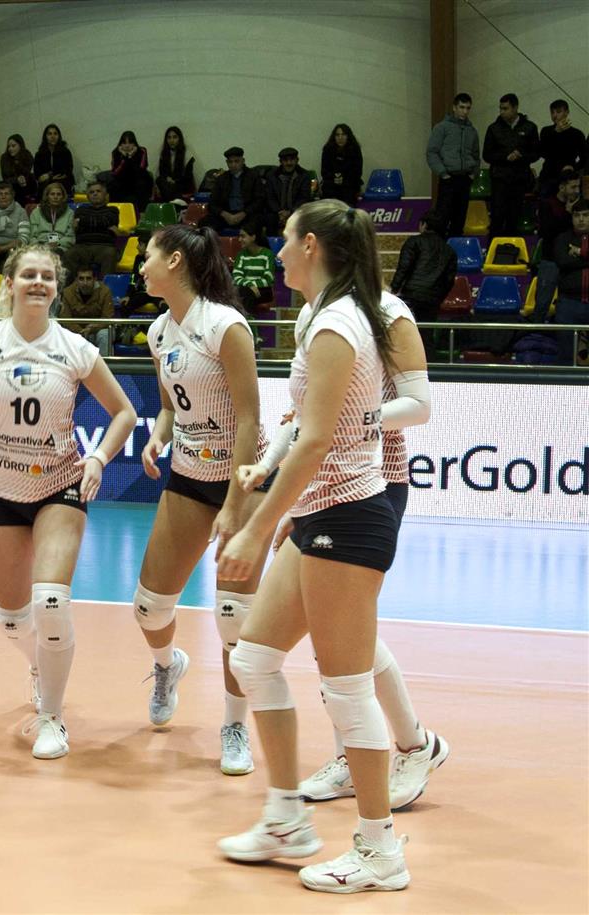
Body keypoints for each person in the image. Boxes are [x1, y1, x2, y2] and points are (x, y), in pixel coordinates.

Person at [215, 200, 410, 893]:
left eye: (286, 238)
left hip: (348, 517)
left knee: (347, 690)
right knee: (254, 657)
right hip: (322, 514)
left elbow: (321, 438)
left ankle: (380, 850)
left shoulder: (336, 324)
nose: (277, 250)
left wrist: (255, 525)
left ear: (312, 246)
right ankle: (287, 817)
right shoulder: (327, 316)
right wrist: (270, 473)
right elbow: (304, 426)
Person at [0, 243, 136, 759]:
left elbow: (124, 413)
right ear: (9, 284)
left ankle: (52, 716)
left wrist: (98, 459)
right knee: (11, 620)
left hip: (59, 484)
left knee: (50, 600)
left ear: (56, 287)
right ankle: (38, 663)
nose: (39, 283)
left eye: (48, 276)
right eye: (28, 274)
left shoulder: (75, 348)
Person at [278, 290, 448, 813]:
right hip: (319, 484)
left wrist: (353, 418)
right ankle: (365, 754)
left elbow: (419, 406)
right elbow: (305, 415)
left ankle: (414, 746)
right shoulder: (311, 313)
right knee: (332, 633)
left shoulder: (389, 313)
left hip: (374, 480)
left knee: (341, 631)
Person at [130, 224, 268, 776]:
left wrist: (235, 503)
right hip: (187, 475)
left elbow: (250, 418)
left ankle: (234, 725)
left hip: (241, 481)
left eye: (148, 256)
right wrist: (158, 435)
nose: (141, 266)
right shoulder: (158, 331)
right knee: (148, 607)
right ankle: (168, 665)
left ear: (175, 261)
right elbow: (170, 404)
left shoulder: (225, 326)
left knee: (233, 617)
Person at [389, 209, 457, 346]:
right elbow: (449, 281)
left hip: (411, 295)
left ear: (424, 224)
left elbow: (403, 268)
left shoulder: (414, 242)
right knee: (426, 336)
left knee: (406, 335)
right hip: (432, 298)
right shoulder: (450, 250)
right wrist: (438, 298)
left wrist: (393, 290)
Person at [483, 93, 540, 236]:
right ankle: (493, 247)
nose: (502, 112)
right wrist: (505, 157)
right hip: (499, 179)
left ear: (515, 108)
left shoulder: (530, 127)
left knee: (513, 218)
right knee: (497, 218)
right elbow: (487, 155)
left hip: (519, 179)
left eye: (505, 108)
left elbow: (536, 153)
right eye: (500, 108)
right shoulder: (493, 128)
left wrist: (521, 156)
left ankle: (511, 248)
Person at [532, 168, 583, 323]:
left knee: (566, 306)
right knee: (542, 304)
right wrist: (568, 214)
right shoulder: (547, 204)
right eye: (573, 187)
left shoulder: (579, 206)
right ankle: (535, 334)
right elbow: (546, 232)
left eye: (578, 186)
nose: (577, 190)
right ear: (562, 187)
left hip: (571, 262)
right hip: (550, 261)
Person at [426, 93, 481, 238]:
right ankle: (440, 248)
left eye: (468, 108)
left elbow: (476, 155)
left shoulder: (472, 131)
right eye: (462, 107)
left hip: (465, 179)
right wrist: (443, 173)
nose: (465, 111)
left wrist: (473, 174)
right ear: (454, 107)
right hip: (448, 178)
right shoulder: (442, 128)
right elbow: (432, 152)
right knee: (442, 219)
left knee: (460, 219)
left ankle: (455, 248)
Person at [551, 199, 589, 363]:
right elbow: (563, 262)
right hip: (569, 303)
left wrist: (579, 253)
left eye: (585, 215)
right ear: (572, 218)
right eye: (577, 215)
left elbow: (570, 262)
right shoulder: (562, 239)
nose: (581, 219)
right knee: (566, 355)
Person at [67, 181, 124, 279]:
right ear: (87, 196)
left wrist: (83, 221)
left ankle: (105, 287)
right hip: (82, 247)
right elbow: (105, 222)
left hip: (104, 247)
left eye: (98, 191)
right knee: (69, 254)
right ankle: (72, 286)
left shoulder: (113, 210)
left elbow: (108, 220)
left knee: (110, 254)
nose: (95, 194)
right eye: (91, 192)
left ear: (105, 195)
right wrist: (103, 223)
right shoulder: (81, 210)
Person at [204, 147, 263, 234]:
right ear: (227, 163)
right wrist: (224, 214)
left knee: (258, 221)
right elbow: (212, 203)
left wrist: (244, 213)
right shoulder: (222, 179)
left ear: (243, 161)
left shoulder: (253, 176)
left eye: (236, 161)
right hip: (226, 214)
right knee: (205, 223)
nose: (233, 165)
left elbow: (259, 200)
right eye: (230, 162)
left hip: (246, 214)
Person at [58, 266, 114, 354]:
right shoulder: (67, 292)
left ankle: (104, 362)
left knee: (104, 335)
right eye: (81, 279)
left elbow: (107, 318)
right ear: (76, 280)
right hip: (76, 331)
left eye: (88, 279)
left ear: (95, 279)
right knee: (62, 333)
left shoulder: (105, 292)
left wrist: (91, 328)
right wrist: (80, 331)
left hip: (98, 330)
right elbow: (65, 319)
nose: (85, 283)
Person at [537, 100, 585, 197]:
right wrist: (556, 132)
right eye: (552, 112)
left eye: (558, 112)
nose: (555, 115)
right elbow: (543, 152)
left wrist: (573, 167)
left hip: (568, 177)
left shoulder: (577, 134)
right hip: (549, 175)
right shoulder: (546, 131)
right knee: (546, 202)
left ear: (567, 112)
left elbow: (584, 157)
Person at [264, 148, 312, 236]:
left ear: (297, 160)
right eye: (285, 160)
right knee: (269, 218)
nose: (289, 163)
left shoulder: (304, 176)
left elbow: (304, 198)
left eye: (292, 160)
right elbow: (270, 197)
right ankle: (271, 243)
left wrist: (290, 212)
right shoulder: (272, 175)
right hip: (276, 212)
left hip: (296, 211)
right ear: (280, 162)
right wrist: (280, 212)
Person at [231, 221, 276, 314]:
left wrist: (252, 286)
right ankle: (247, 319)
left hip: (263, 291)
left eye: (243, 236)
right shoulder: (241, 255)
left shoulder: (267, 254)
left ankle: (247, 319)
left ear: (253, 237)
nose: (239, 239)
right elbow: (236, 277)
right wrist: (250, 285)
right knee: (242, 292)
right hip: (245, 289)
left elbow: (268, 279)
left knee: (245, 293)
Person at [28, 181, 75, 263]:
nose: (55, 197)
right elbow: (32, 236)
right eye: (52, 194)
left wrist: (58, 244)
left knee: (57, 256)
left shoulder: (70, 213)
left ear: (63, 197)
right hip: (40, 246)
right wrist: (41, 246)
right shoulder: (36, 212)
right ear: (47, 196)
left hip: (61, 246)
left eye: (58, 194)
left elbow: (70, 236)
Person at [108, 130, 152, 215]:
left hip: (138, 178)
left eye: (130, 143)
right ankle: (115, 212)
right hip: (122, 180)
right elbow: (115, 172)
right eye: (124, 143)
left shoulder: (142, 151)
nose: (127, 145)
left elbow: (142, 169)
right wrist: (125, 158)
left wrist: (131, 156)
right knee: (113, 185)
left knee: (143, 183)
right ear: (120, 144)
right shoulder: (116, 152)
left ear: (134, 143)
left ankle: (142, 212)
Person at [320, 124, 364, 205]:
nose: (340, 138)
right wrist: (334, 178)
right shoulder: (327, 150)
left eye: (343, 134)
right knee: (327, 188)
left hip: (349, 183)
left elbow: (357, 172)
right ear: (334, 137)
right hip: (332, 183)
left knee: (349, 190)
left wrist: (343, 180)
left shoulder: (355, 150)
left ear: (348, 136)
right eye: (337, 135)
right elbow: (324, 171)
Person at [155, 126, 196, 201]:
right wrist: (167, 179)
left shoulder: (187, 154)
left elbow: (188, 177)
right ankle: (174, 201)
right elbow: (162, 173)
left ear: (179, 139)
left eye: (175, 137)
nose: (172, 140)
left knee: (167, 190)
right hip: (168, 186)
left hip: (182, 185)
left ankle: (173, 200)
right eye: (169, 138)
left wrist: (175, 181)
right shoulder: (164, 154)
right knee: (159, 180)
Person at [34, 123, 74, 196]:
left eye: (55, 134)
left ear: (59, 136)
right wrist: (50, 177)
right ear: (45, 137)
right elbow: (38, 175)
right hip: (46, 184)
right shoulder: (39, 154)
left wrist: (48, 176)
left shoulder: (65, 152)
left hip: (62, 183)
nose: (53, 136)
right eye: (49, 134)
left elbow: (67, 171)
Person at [0, 134, 36, 204]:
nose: (10, 149)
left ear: (20, 146)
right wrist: (17, 180)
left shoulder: (27, 155)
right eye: (9, 146)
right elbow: (5, 178)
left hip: (25, 183)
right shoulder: (4, 157)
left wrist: (18, 162)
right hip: (11, 184)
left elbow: (27, 172)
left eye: (13, 146)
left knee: (31, 179)